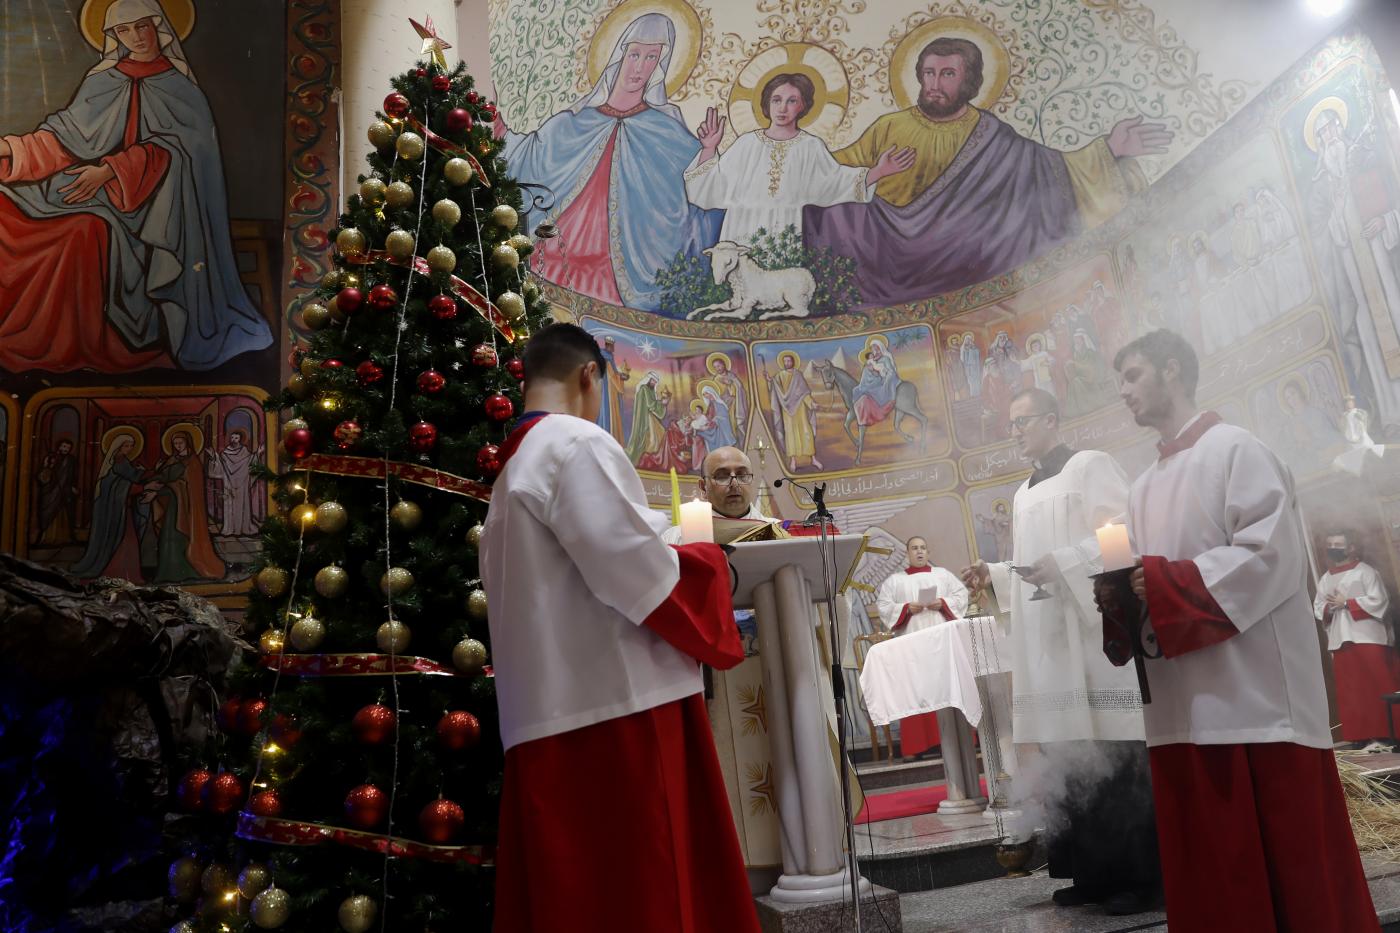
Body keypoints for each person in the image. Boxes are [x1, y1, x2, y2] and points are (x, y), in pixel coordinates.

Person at [481, 323, 757, 933]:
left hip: (547, 717)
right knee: (650, 898)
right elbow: (638, 574)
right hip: (618, 714)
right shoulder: (574, 443)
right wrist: (707, 560)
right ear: (589, 376)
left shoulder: (513, 470)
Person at [1108, 329, 1376, 932]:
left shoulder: (1237, 450)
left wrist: (1163, 582)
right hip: (1181, 709)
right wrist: (1120, 596)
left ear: (1172, 370)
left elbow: (1269, 558)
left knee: (1290, 880)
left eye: (1132, 375)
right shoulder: (1141, 487)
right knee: (1216, 882)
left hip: (1256, 703)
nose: (1122, 391)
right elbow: (1144, 586)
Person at [961, 388, 1158, 915]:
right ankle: (1090, 874)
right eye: (1010, 423)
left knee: (1112, 753)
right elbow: (1032, 566)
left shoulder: (1090, 466)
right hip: (1049, 643)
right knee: (1067, 757)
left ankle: (1138, 880)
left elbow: (1121, 538)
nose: (1015, 431)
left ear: (1051, 419)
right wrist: (996, 575)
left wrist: (1068, 561)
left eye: (1023, 421)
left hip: (1094, 637)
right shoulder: (1022, 493)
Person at [0, 0, 272, 373]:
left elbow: (184, 152)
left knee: (81, 233)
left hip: (159, 208)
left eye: (143, 26)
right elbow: (64, 138)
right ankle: (32, 336)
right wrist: (8, 148)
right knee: (10, 214)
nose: (136, 37)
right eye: (124, 30)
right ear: (113, 35)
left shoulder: (180, 88)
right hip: (98, 192)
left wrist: (111, 171)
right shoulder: (103, 80)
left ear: (159, 26)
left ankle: (77, 341)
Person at [802, 37, 1170, 308]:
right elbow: (833, 170)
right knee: (834, 217)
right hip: (886, 251)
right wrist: (791, 171)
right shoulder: (890, 126)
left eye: (947, 74)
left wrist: (1109, 149)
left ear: (969, 81)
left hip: (964, 258)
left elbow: (1051, 171)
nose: (934, 84)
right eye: (928, 73)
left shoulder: (992, 134)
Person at [497, 13, 721, 311]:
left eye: (651, 57)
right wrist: (497, 127)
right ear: (619, 55)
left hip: (632, 262)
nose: (640, 67)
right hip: (560, 254)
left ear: (660, 65)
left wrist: (708, 151)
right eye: (635, 54)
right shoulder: (575, 121)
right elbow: (531, 155)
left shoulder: (666, 127)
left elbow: (693, 185)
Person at [684, 73, 912, 246]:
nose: (782, 108)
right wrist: (709, 149)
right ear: (767, 103)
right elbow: (712, 186)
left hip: (785, 232)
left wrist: (879, 171)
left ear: (804, 106)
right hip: (740, 230)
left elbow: (834, 183)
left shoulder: (810, 147)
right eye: (776, 100)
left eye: (792, 101)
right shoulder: (746, 144)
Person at [876, 535, 969, 759]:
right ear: (907, 553)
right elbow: (884, 606)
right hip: (912, 647)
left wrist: (943, 603)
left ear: (928, 552)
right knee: (916, 690)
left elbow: (961, 595)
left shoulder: (942, 575)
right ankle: (918, 745)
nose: (919, 551)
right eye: (914, 548)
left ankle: (953, 739)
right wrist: (906, 608)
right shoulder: (895, 581)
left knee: (946, 686)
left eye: (923, 548)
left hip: (942, 642)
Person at [1314, 530, 1399, 753]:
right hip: (1341, 640)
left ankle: (1391, 733)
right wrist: (1329, 607)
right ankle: (1360, 736)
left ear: (1350, 547)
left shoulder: (1365, 572)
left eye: (1338, 544)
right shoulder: (1326, 578)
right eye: (1330, 544)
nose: (1333, 548)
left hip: (1368, 637)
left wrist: (1347, 603)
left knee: (1378, 685)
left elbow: (1379, 600)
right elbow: (1318, 606)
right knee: (1352, 692)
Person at [71, 429, 144, 578]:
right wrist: (142, 473)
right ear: (118, 447)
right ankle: (113, 568)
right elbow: (130, 478)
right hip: (115, 507)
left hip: (119, 505)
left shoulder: (120, 460)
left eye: (131, 446)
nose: (129, 448)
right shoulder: (119, 460)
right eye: (126, 445)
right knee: (116, 537)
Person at [766, 350, 823, 471]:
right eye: (785, 361)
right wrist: (769, 380)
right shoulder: (780, 375)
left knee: (806, 432)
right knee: (790, 435)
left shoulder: (798, 375)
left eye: (789, 360)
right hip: (787, 410)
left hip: (800, 408)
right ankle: (793, 461)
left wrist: (811, 403)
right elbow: (775, 386)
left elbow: (804, 393)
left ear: (793, 361)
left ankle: (813, 459)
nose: (787, 363)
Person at [205, 429, 260, 536]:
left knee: (242, 506)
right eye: (232, 437)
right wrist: (213, 457)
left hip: (242, 484)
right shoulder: (225, 453)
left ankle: (243, 528)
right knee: (230, 506)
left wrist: (258, 454)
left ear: (240, 439)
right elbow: (219, 467)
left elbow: (251, 462)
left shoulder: (244, 452)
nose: (233, 440)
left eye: (236, 438)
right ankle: (230, 529)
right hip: (229, 484)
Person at [33, 437, 79, 546]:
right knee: (47, 512)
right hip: (50, 491)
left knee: (64, 514)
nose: (65, 449)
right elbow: (43, 476)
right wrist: (47, 465)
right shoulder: (52, 457)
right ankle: (45, 538)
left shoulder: (71, 460)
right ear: (59, 446)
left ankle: (65, 538)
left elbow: (73, 475)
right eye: (64, 446)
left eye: (68, 448)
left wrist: (73, 486)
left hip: (64, 491)